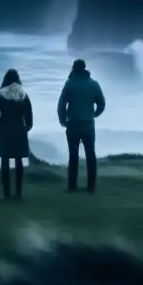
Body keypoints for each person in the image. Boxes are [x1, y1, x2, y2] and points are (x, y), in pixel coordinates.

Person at [56, 58, 106, 194]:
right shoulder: (93, 84)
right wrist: (95, 114)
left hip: (73, 124)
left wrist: (63, 120)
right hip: (88, 124)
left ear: (74, 68)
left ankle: (72, 186)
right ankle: (91, 186)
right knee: (90, 155)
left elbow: (61, 105)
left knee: (73, 155)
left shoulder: (69, 83)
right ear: (85, 69)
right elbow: (101, 102)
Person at [0, 68, 34, 199]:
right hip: (20, 130)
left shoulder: (0, 94)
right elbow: (29, 115)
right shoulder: (23, 95)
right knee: (19, 160)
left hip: (4, 130)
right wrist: (27, 127)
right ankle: (19, 192)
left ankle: (6, 193)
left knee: (5, 161)